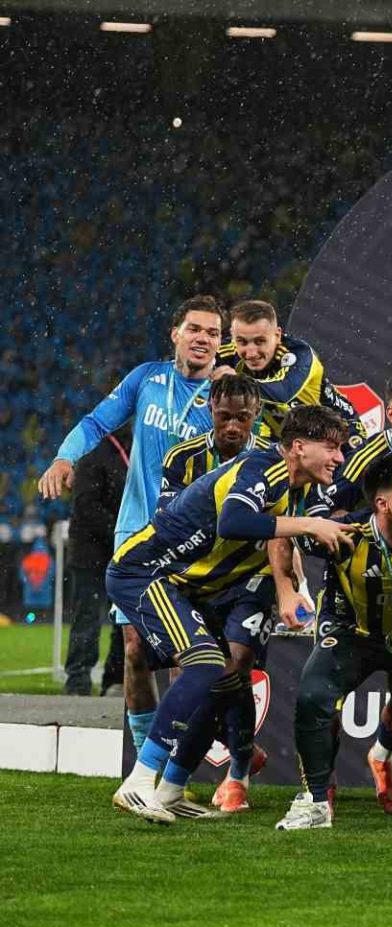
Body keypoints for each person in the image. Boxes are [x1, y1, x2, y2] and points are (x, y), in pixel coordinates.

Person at [107, 406, 355, 824]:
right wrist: (309, 526)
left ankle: (171, 789)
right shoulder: (264, 467)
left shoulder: (298, 485)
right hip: (145, 573)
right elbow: (233, 521)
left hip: (190, 585)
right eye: (331, 447)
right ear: (298, 447)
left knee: (222, 681)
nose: (339, 457)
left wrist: (290, 586)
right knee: (205, 664)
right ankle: (140, 779)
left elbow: (278, 535)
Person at [40, 295, 222, 752]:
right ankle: (143, 756)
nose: (203, 338)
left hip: (191, 539)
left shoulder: (225, 395)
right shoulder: (146, 379)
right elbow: (95, 423)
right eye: (195, 329)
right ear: (175, 334)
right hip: (136, 533)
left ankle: (176, 758)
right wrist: (64, 457)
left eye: (213, 332)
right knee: (134, 648)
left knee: (186, 653)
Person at [276, 451, 392, 832]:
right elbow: (281, 532)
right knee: (313, 698)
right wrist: (286, 589)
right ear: (382, 504)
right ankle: (315, 801)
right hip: (353, 634)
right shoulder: (345, 535)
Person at [158, 373, 274, 813]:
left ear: (256, 414)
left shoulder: (270, 459)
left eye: (242, 418)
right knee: (200, 678)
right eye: (224, 416)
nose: (232, 426)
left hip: (250, 577)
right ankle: (243, 750)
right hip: (195, 580)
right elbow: (168, 524)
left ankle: (237, 776)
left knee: (237, 664)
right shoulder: (182, 458)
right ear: (210, 410)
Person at [218, 299, 366, 446]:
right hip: (287, 442)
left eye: (260, 341)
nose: (251, 353)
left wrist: (237, 382)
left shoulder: (301, 354)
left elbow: (283, 393)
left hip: (339, 435)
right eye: (242, 342)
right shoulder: (229, 350)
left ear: (277, 335)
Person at [61, 425, 129, 696]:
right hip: (90, 554)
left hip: (118, 552)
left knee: (122, 619)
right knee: (88, 616)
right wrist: (120, 531)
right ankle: (78, 681)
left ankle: (114, 680)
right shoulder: (92, 453)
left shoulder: (131, 450)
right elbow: (85, 506)